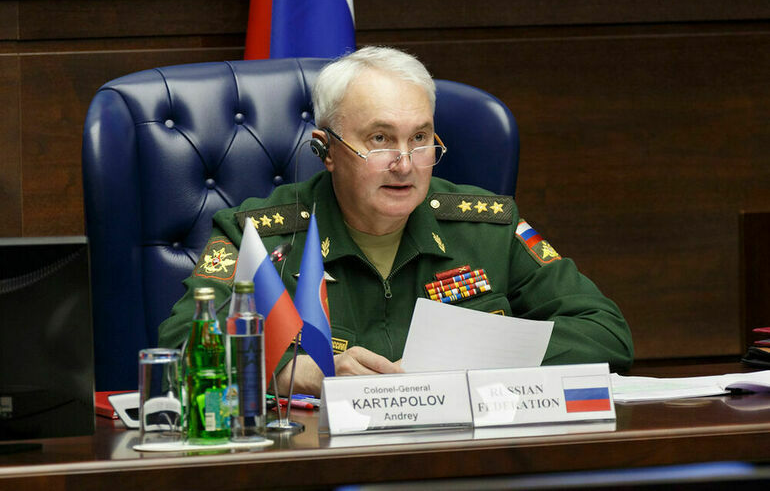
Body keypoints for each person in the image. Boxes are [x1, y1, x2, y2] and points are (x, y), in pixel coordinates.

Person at [158, 46, 633, 397]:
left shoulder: (487, 227)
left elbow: (605, 332)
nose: (405, 164)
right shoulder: (259, 237)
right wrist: (299, 373)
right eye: (380, 139)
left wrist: (481, 364)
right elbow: (181, 351)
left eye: (420, 138)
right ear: (326, 149)